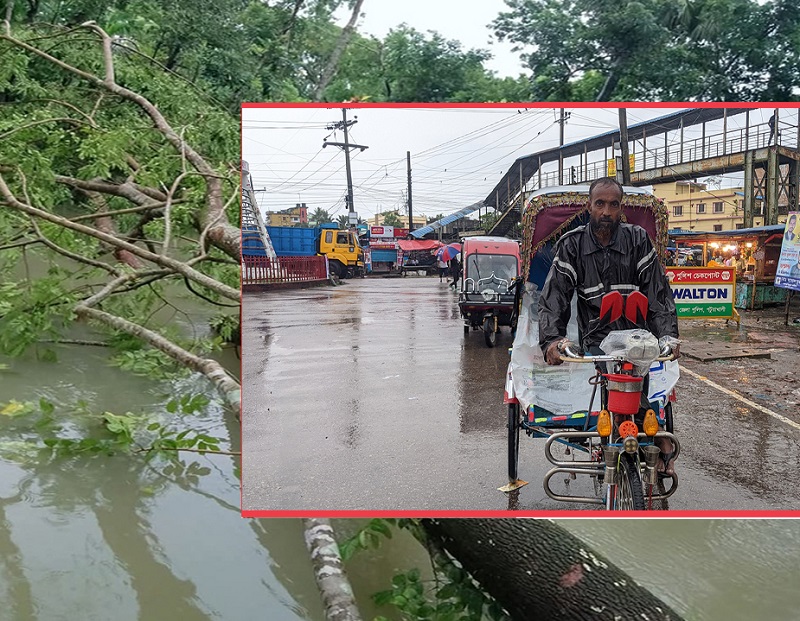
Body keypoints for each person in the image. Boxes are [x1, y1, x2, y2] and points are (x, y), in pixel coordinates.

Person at [538, 177, 680, 476]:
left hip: (638, 337)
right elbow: (554, 297)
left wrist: (668, 335)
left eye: (613, 205)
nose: (606, 211)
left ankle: (651, 436)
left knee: (638, 380)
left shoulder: (638, 239)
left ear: (621, 208)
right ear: (589, 206)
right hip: (596, 337)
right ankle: (634, 439)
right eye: (600, 204)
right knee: (612, 383)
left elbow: (657, 293)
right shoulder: (572, 245)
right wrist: (552, 340)